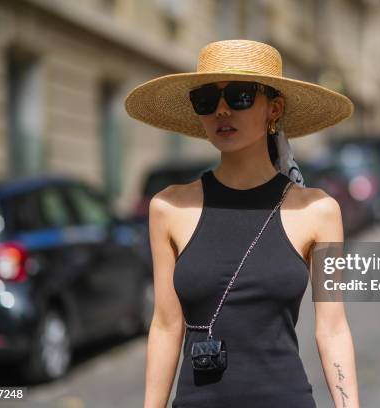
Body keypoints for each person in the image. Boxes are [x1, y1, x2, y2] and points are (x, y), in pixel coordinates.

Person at [125, 39, 360, 408]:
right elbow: (166, 327)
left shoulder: (320, 212)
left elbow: (332, 329)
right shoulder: (168, 207)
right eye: (206, 99)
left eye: (239, 95)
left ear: (274, 108)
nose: (221, 110)